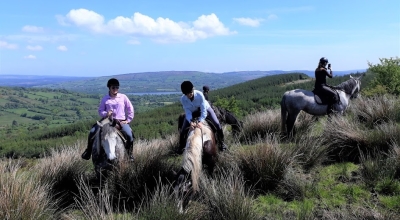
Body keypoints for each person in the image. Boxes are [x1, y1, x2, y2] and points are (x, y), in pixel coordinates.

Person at [81, 78, 135, 161]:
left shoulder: (123, 97)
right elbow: (100, 111)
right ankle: (88, 152)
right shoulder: (105, 98)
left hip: (121, 121)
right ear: (109, 88)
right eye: (113, 87)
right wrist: (106, 114)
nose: (115, 89)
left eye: (117, 87)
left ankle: (129, 154)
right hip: (107, 120)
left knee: (129, 135)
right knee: (92, 132)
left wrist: (128, 120)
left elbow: (130, 109)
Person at [178, 81, 227, 154]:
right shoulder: (183, 99)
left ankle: (222, 143)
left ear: (193, 89)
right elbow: (187, 111)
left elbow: (204, 111)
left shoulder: (200, 95)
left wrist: (200, 121)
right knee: (183, 129)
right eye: (186, 94)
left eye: (190, 92)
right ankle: (181, 146)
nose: (189, 95)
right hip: (193, 112)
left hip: (205, 109)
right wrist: (191, 122)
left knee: (217, 123)